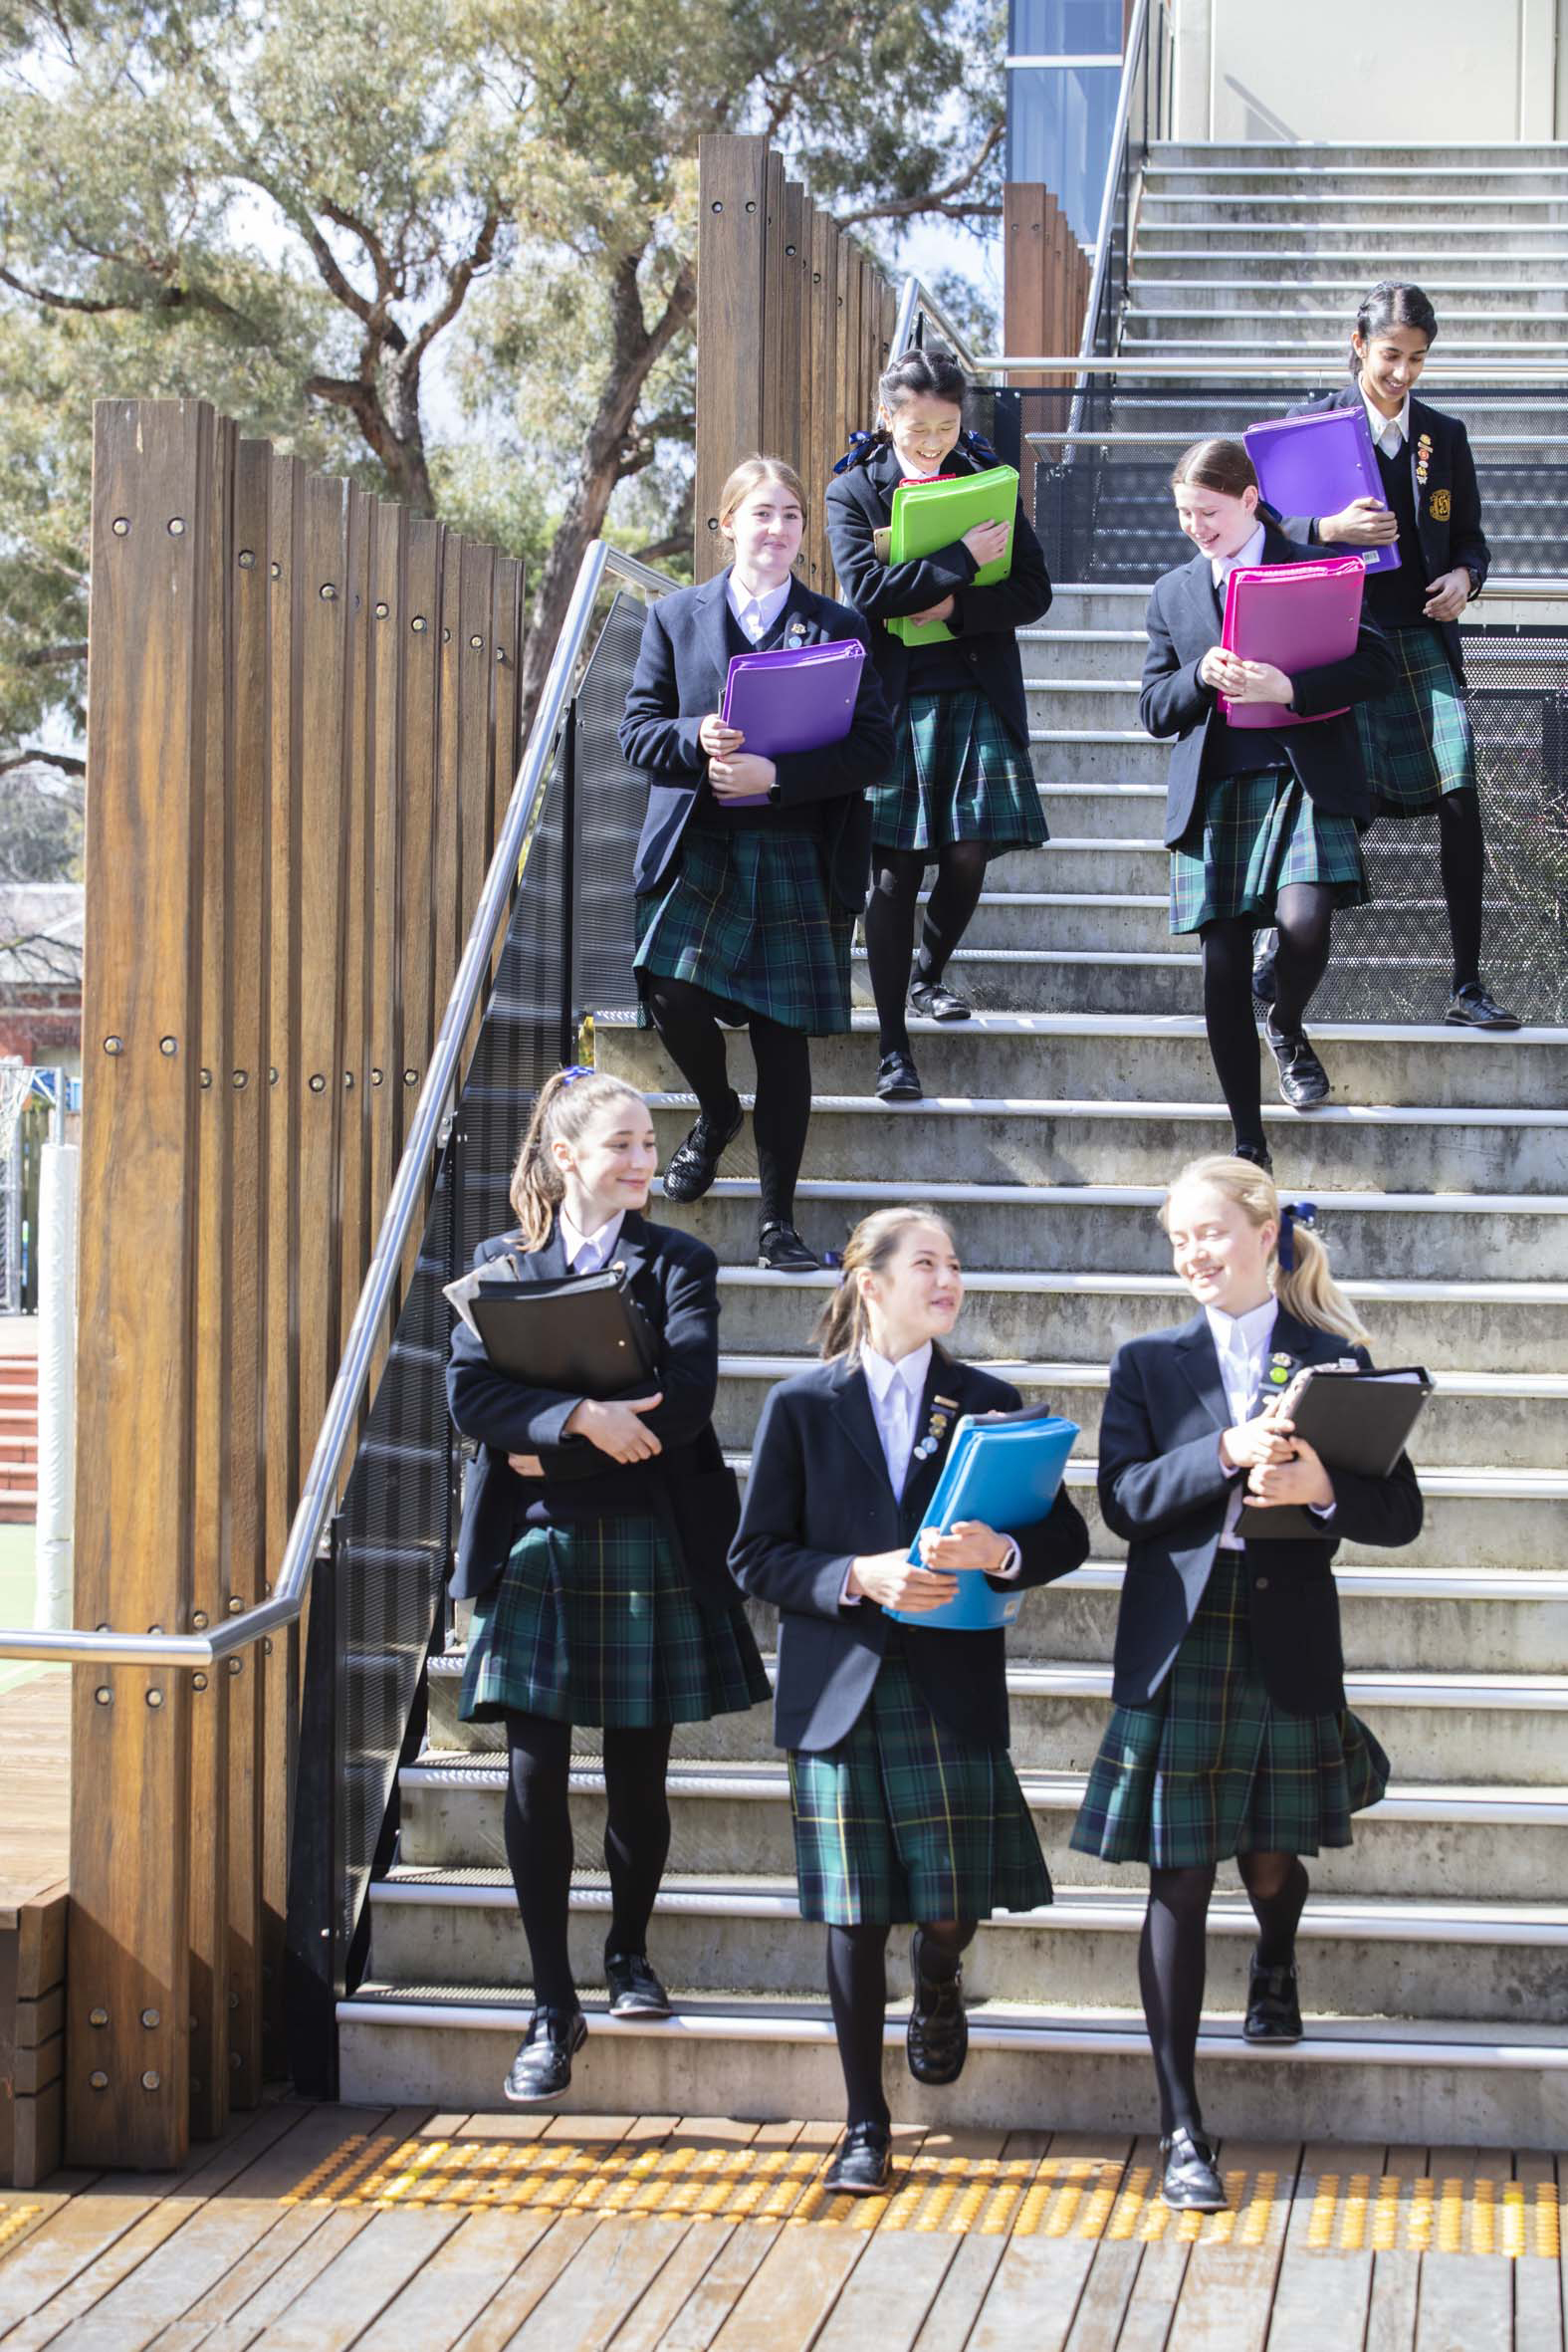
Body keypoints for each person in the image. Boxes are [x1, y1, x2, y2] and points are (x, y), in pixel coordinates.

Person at [1072, 1153, 1423, 2212]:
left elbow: (1398, 1514)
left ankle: (1276, 1956)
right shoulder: (1149, 1362)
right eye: (1179, 1240)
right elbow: (1125, 1501)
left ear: (1266, 1233)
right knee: (1177, 1875)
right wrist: (1226, 1448)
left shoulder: (1338, 1355)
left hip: (1284, 1633)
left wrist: (1323, 1491)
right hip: (1182, 1640)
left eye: (1209, 1233)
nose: (1193, 1255)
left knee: (1271, 1863)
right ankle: (1182, 2125)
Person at [731, 1206, 1090, 2194]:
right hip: (839, 1688)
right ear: (870, 1280)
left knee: (948, 1905)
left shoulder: (990, 1401)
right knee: (851, 1918)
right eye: (927, 1262)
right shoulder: (802, 1404)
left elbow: (1066, 1538)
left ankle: (940, 1975)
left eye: (955, 1263)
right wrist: (860, 1574)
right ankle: (864, 2124)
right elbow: (755, 1556)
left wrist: (1002, 1552)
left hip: (948, 1683)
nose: (949, 1279)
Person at [446, 1067, 770, 2104]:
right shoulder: (500, 1263)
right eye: (623, 1143)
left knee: (639, 1776)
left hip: (650, 1538)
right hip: (537, 1546)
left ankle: (629, 1952)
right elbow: (469, 1393)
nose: (642, 1160)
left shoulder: (680, 1261)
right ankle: (552, 2004)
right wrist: (581, 1422)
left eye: (648, 1143)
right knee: (535, 1775)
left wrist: (544, 1442)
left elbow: (684, 1402)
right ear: (567, 1155)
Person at [618, 456, 894, 1272]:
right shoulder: (673, 617)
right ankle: (714, 1111)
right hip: (699, 839)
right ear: (727, 522)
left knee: (782, 1039)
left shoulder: (840, 624)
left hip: (794, 847)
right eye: (761, 514)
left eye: (790, 517)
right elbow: (636, 733)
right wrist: (694, 736)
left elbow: (874, 748)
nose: (776, 531)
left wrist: (779, 777)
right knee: (664, 986)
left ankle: (777, 1223)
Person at [1260, 279, 1519, 1030]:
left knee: (1459, 787)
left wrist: (1466, 576)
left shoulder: (1444, 435)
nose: (1402, 374)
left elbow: (1470, 535)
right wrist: (1329, 530)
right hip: (1336, 641)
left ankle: (1466, 986)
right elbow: (1267, 530)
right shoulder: (1306, 427)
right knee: (1343, 804)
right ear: (1356, 345)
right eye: (1389, 356)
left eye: (1417, 359)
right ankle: (1276, 962)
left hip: (1417, 637)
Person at [1141, 438, 1396, 1170]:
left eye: (1209, 511)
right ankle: (1247, 1139)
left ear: (1250, 500)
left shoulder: (1311, 564)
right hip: (1215, 787)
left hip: (1301, 776)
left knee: (1303, 925)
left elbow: (1374, 663)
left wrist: (1290, 689)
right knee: (1220, 967)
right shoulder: (1172, 592)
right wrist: (1198, 674)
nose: (1195, 526)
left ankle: (1284, 1021)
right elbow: (1154, 708)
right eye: (1184, 513)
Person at [825, 347, 1052, 1103]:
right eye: (916, 427)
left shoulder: (985, 480)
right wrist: (958, 557)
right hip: (891, 701)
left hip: (974, 687)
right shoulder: (853, 491)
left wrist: (954, 604)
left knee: (967, 856)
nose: (931, 442)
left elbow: (1031, 590)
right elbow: (863, 591)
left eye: (946, 426)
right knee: (892, 876)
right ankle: (893, 1047)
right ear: (886, 416)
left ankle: (929, 972)